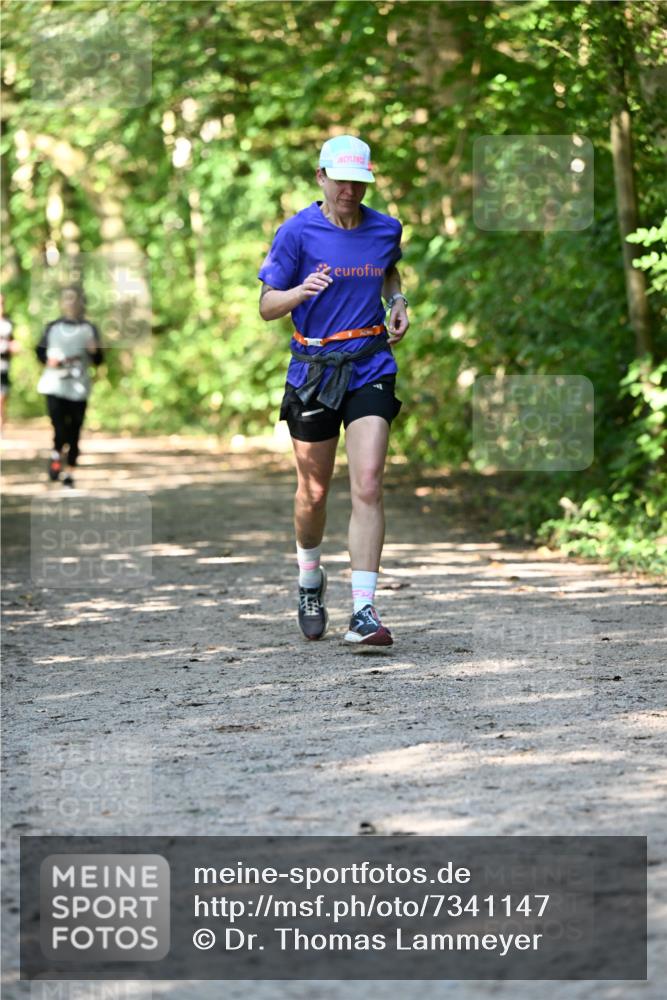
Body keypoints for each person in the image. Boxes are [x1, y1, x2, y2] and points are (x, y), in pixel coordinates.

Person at [258, 135, 409, 646]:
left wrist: (398, 300)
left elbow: (387, 269)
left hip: (370, 364)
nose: (350, 190)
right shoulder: (296, 232)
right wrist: (300, 292)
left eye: (359, 181)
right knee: (314, 492)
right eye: (341, 180)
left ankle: (363, 610)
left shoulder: (385, 228)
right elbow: (267, 306)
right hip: (314, 370)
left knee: (368, 482)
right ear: (321, 176)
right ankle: (308, 578)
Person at [36, 285, 103, 488]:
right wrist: (48, 361)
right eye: (67, 299)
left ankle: (70, 473)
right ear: (62, 302)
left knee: (74, 432)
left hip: (78, 388)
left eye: (75, 299)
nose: (71, 303)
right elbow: (39, 352)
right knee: (59, 427)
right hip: (54, 386)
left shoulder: (89, 329)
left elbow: (99, 359)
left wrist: (94, 351)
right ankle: (56, 456)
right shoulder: (52, 327)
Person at [0, 293, 20, 429]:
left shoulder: (8, 323)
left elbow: (13, 341)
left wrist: (14, 346)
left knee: (2, 397)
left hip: (3, 365)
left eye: (1, 303)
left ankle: (1, 427)